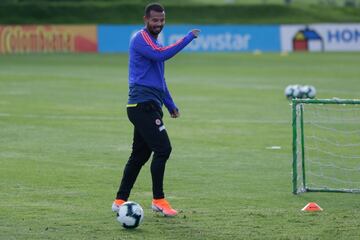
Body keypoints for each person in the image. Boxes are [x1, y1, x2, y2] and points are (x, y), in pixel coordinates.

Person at [112, 3, 200, 217]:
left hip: (149, 105)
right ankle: (158, 200)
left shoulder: (153, 42)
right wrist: (187, 38)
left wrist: (170, 104)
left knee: (140, 155)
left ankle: (119, 200)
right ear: (146, 19)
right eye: (155, 20)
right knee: (163, 149)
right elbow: (162, 55)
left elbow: (160, 80)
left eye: (162, 20)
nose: (159, 24)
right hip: (142, 106)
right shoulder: (141, 38)